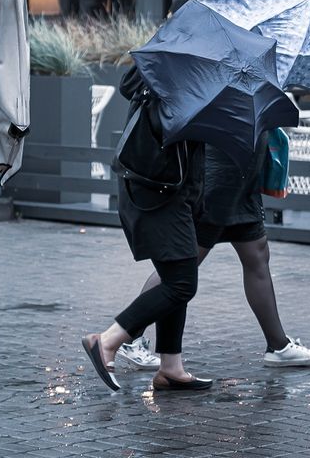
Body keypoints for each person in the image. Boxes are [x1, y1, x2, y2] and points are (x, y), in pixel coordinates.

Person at [116, 136, 310, 371]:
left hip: (242, 179)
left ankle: (278, 346)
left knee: (256, 254)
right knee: (182, 265)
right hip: (221, 179)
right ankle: (127, 338)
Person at [81, 67, 211, 392]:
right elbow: (175, 126)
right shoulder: (180, 74)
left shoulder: (159, 64)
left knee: (175, 275)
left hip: (154, 189)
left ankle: (170, 367)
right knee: (182, 284)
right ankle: (108, 340)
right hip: (161, 193)